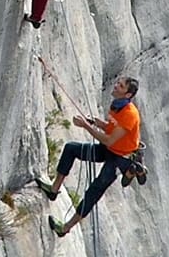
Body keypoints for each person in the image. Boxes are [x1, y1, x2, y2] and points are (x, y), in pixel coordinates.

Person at [35, 77, 142, 237]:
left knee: (94, 191)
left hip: (121, 158)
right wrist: (98, 123)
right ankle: (53, 189)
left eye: (120, 86)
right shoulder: (117, 106)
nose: (116, 86)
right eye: (117, 83)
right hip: (111, 149)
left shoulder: (130, 115)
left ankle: (65, 228)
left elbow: (109, 139)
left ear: (127, 95)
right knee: (71, 149)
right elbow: (111, 128)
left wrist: (86, 126)